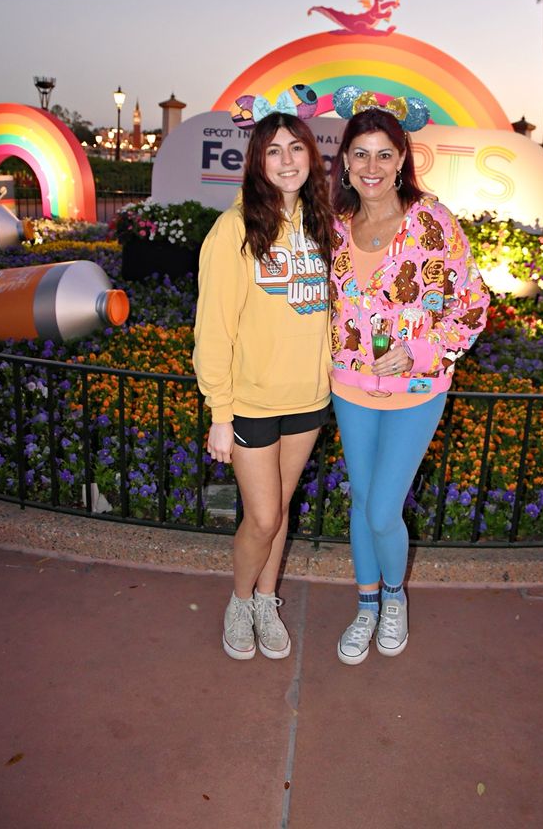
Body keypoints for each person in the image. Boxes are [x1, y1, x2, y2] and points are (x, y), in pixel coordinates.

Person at [329, 87, 490, 665]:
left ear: (402, 160)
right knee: (362, 501)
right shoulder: (333, 228)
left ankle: (394, 597)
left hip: (418, 391)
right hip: (349, 388)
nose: (372, 167)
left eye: (384, 154)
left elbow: (472, 303)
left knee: (381, 509)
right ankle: (366, 604)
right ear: (345, 161)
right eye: (360, 154)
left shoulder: (432, 222)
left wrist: (422, 353)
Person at [193, 106, 332, 661]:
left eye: (295, 148)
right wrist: (219, 414)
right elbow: (213, 330)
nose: (286, 160)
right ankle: (240, 598)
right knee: (265, 516)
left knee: (282, 506)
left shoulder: (323, 226)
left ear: (310, 157)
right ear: (257, 161)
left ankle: (267, 600)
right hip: (251, 401)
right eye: (273, 150)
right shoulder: (234, 229)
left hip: (308, 399)